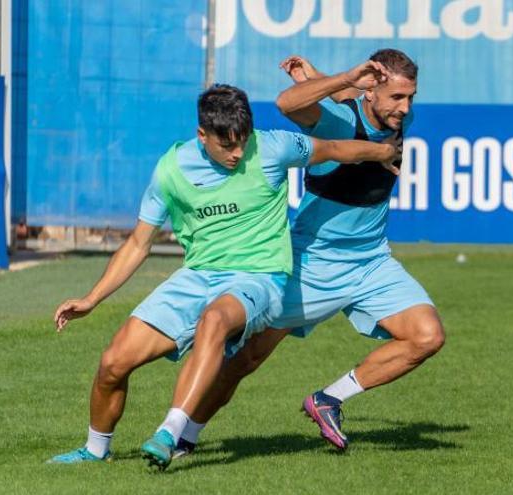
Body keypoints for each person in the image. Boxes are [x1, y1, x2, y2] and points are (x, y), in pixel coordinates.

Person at [46, 83, 400, 467]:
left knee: (214, 320)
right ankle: (96, 452)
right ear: (202, 135)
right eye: (226, 145)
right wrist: (92, 299)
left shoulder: (271, 148)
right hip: (196, 276)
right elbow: (137, 245)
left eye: (241, 142)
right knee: (114, 362)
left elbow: (332, 149)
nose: (236, 153)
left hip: (260, 278)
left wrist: (382, 151)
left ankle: (169, 431)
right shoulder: (172, 170)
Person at [173, 49, 446, 455]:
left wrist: (316, 77)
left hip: (371, 263)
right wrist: (332, 78)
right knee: (247, 358)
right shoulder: (338, 122)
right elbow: (287, 105)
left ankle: (328, 399)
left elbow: (351, 99)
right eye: (397, 98)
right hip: (312, 263)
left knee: (428, 336)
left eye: (411, 97)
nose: (406, 108)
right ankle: (184, 436)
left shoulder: (394, 116)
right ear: (371, 91)